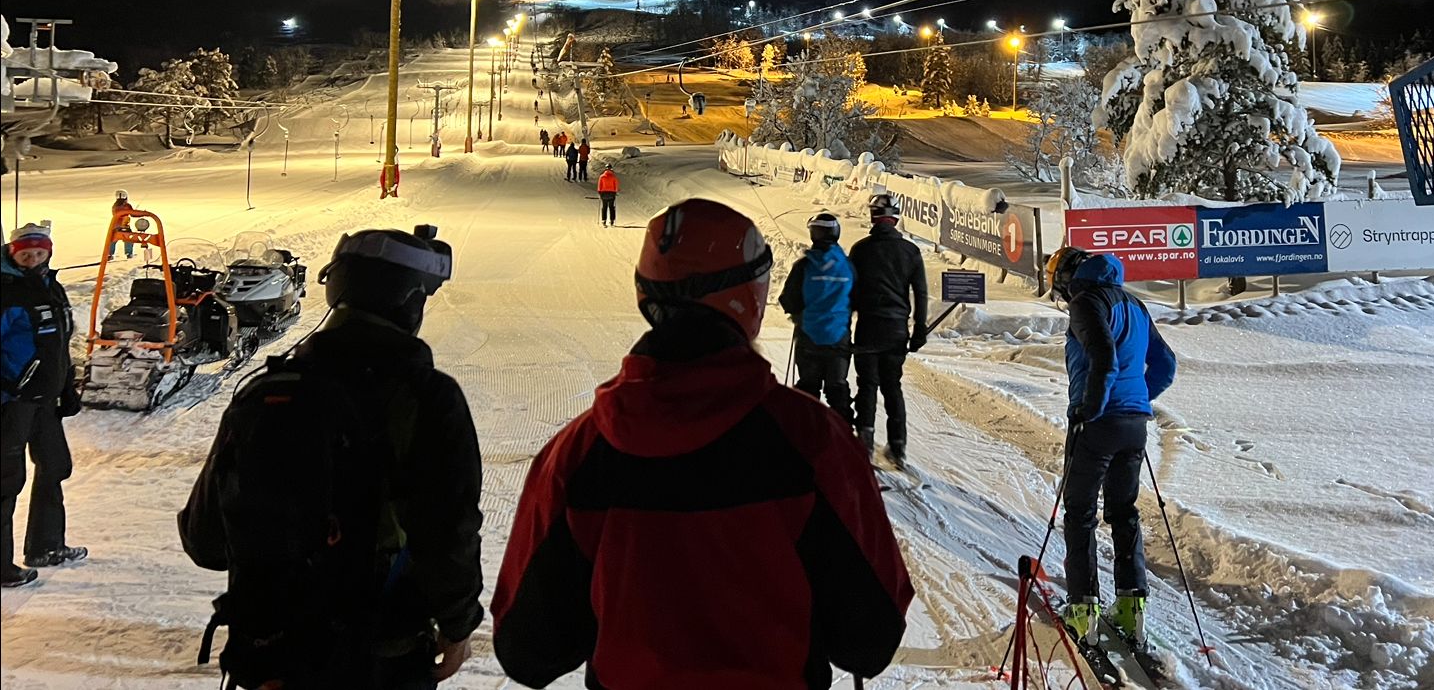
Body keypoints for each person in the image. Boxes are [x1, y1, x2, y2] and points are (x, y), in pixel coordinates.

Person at [490, 198, 911, 689]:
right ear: (750, 297)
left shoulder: (580, 452)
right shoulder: (813, 441)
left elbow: (528, 651)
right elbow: (870, 639)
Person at [178, 226, 484, 687]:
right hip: (378, 654)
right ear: (410, 303)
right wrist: (458, 625)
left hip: (272, 653)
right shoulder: (426, 398)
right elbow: (448, 531)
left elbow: (204, 541)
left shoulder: (267, 390)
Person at [1046, 245, 1177, 649]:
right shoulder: (1135, 304)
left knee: (1080, 512)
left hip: (1097, 422)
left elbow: (1103, 356)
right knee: (1124, 512)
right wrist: (1136, 399)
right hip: (1134, 425)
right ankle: (1131, 607)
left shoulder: (1086, 302)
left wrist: (1093, 407)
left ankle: (1082, 609)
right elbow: (1166, 364)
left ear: (1069, 277)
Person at [2, 222, 86, 590]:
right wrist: (11, 384)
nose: (33, 259)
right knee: (6, 482)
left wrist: (66, 385)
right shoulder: (7, 291)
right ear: (13, 254)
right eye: (25, 254)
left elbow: (59, 343)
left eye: (39, 253)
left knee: (55, 465)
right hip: (14, 402)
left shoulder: (52, 286)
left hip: (45, 398)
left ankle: (45, 546)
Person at [847, 193, 929, 468]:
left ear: (873, 217)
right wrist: (920, 328)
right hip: (896, 329)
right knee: (892, 386)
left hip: (868, 327)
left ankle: (865, 444)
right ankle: (897, 446)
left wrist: (844, 327)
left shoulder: (860, 250)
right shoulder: (910, 251)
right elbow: (920, 292)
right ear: (896, 218)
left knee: (867, 385)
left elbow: (850, 293)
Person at [778, 212, 854, 423]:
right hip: (839, 338)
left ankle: (806, 434)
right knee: (837, 389)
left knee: (808, 391)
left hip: (809, 338)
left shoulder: (804, 266)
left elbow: (788, 300)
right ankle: (844, 433)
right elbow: (857, 298)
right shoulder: (848, 266)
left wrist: (799, 313)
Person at [110, 190, 137, 259]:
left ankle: (109, 254)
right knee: (128, 238)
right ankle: (129, 253)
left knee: (112, 239)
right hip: (125, 226)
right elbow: (133, 214)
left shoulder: (114, 206)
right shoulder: (127, 205)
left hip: (115, 226)